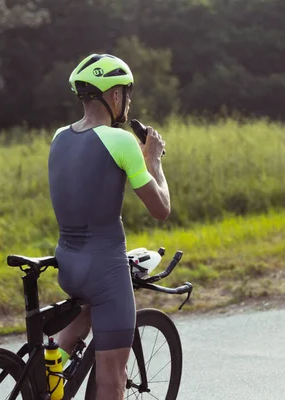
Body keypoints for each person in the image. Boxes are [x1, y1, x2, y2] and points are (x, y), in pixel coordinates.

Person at [47, 53, 171, 399]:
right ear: (114, 95)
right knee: (112, 381)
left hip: (68, 266)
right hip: (103, 270)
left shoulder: (59, 137)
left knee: (81, 319)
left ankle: (45, 380)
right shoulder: (120, 140)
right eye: (125, 93)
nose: (126, 101)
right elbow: (161, 209)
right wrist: (154, 161)